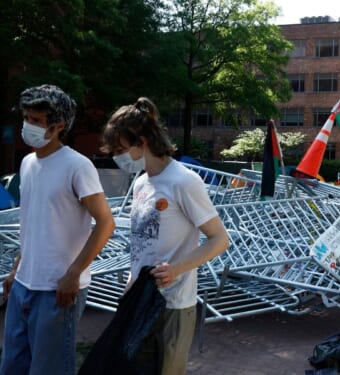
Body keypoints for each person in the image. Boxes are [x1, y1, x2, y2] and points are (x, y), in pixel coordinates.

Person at [101, 97, 229, 374]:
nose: (117, 157)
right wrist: (130, 284)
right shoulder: (141, 183)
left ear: (143, 141)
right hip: (140, 300)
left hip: (174, 305)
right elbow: (142, 244)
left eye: (121, 149)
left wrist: (177, 269)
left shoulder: (184, 181)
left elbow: (220, 239)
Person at [1, 85, 115, 374]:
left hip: (58, 289)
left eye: (36, 120)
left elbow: (106, 222)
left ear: (58, 126)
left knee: (48, 370)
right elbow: (33, 225)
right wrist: (16, 270)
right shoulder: (27, 163)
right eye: (26, 117)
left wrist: (74, 274)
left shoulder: (77, 166)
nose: (28, 126)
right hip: (24, 285)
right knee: (12, 366)